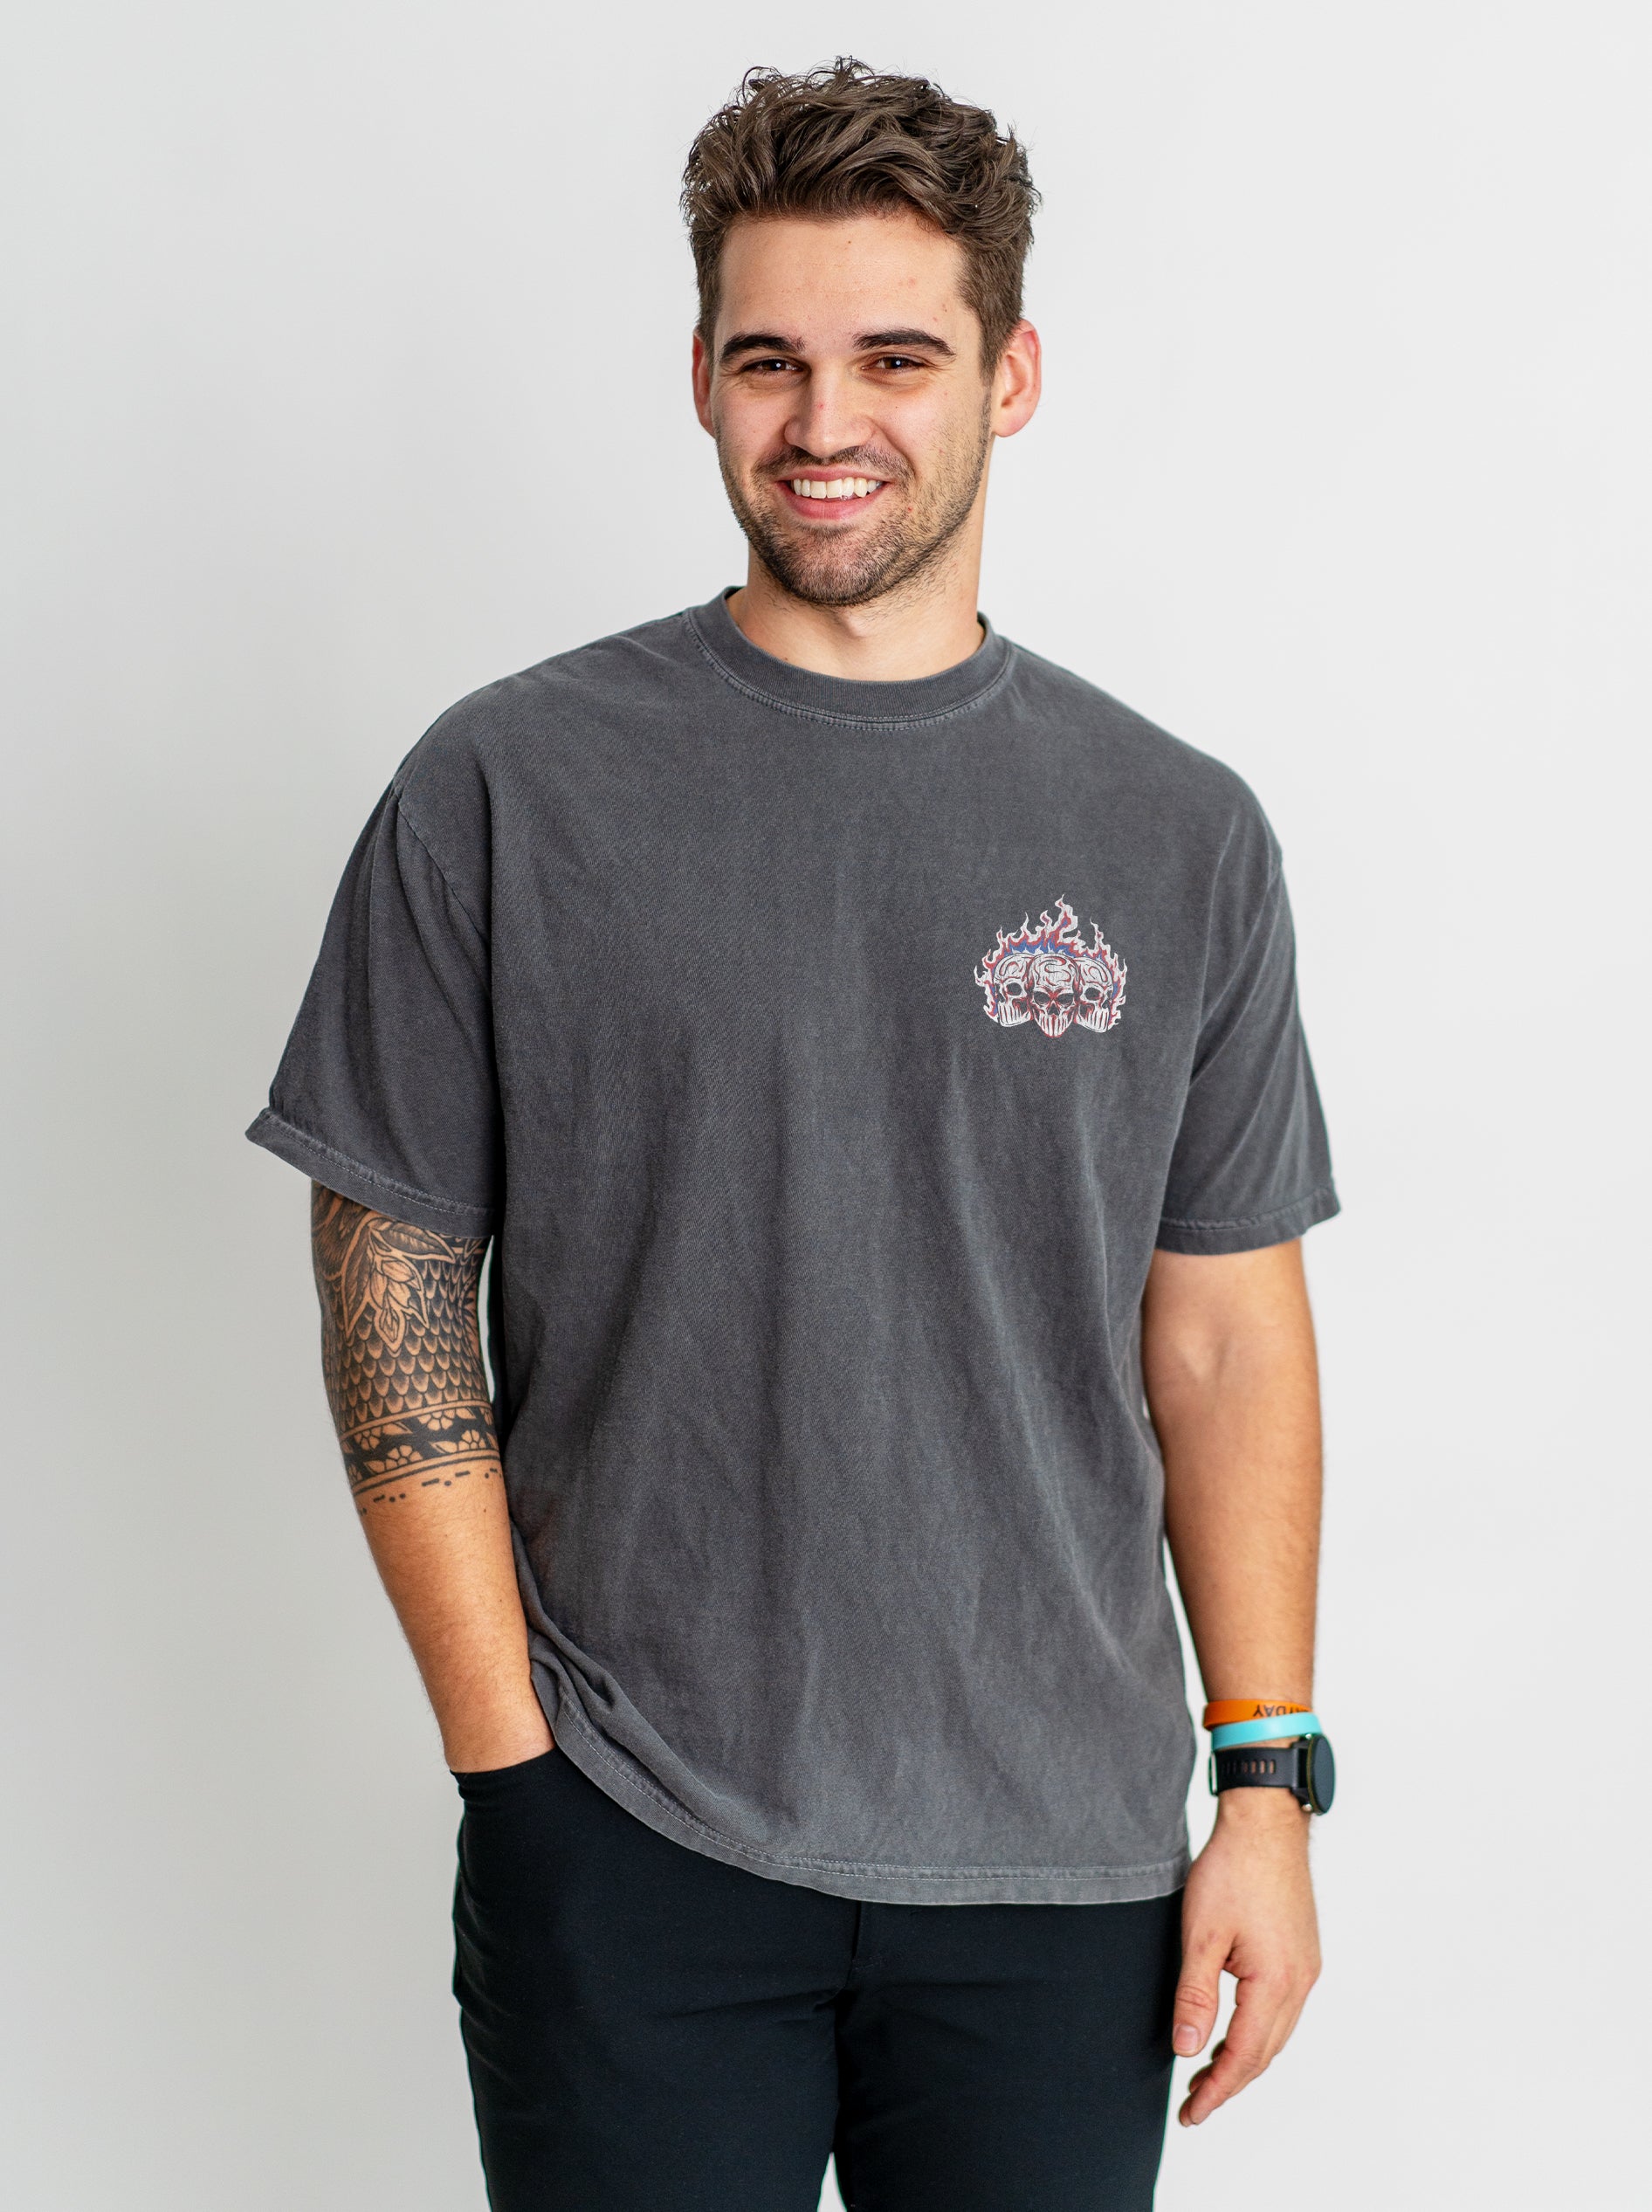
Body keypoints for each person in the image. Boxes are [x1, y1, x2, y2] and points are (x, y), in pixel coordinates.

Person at [248, 58, 1340, 2212]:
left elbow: (1221, 1334)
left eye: (895, 358)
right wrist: (512, 1772)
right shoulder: (506, 789)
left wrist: (1265, 1784)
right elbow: (391, 1283)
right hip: (630, 1828)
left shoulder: (1177, 831)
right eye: (769, 359)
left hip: (1061, 1864)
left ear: (1010, 375)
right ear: (700, 378)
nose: (823, 420)